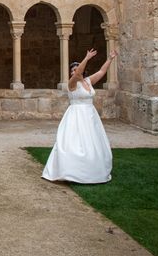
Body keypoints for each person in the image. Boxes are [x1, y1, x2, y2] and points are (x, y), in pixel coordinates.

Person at [42, 49, 117, 184]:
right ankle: (72, 171)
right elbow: (77, 74)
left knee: (93, 142)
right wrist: (87, 58)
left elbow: (101, 72)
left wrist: (110, 59)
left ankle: (93, 170)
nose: (73, 72)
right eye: (71, 70)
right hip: (76, 115)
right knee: (75, 142)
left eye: (75, 69)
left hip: (90, 116)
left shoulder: (88, 81)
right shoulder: (72, 83)